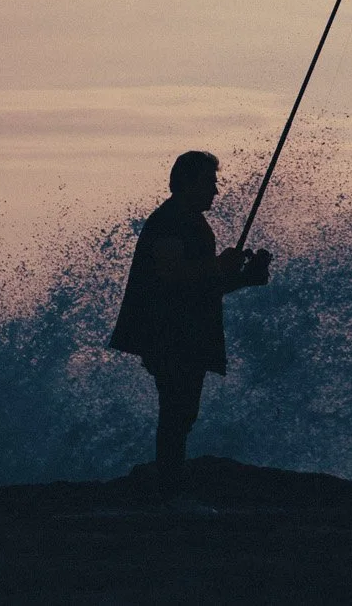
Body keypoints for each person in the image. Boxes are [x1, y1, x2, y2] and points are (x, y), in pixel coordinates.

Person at [109, 149, 271, 498]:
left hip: (185, 334)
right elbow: (170, 274)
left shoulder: (193, 222)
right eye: (210, 182)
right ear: (188, 183)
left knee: (181, 414)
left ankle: (170, 490)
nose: (216, 191)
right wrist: (219, 265)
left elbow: (200, 288)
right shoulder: (170, 220)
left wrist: (245, 278)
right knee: (176, 414)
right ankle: (169, 495)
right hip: (167, 334)